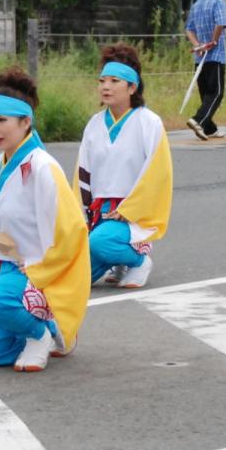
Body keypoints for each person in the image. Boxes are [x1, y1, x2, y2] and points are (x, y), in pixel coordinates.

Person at [0, 69, 90, 371]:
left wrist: (39, 267)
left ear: (26, 122)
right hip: (7, 270)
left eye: (2, 120)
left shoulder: (43, 167)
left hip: (39, 274)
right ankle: (48, 327)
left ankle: (41, 333)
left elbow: (72, 230)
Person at [74, 44, 172, 289]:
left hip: (132, 217)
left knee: (100, 242)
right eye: (102, 81)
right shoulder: (94, 124)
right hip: (99, 215)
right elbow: (82, 174)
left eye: (114, 81)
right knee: (75, 279)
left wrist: (130, 209)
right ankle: (116, 259)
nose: (105, 87)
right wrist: (81, 215)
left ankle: (138, 260)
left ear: (132, 87)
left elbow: (157, 173)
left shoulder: (149, 123)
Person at [184, 0, 226, 140]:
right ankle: (198, 120)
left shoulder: (197, 5)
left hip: (200, 57)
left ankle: (210, 129)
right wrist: (214, 41)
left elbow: (189, 29)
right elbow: (221, 23)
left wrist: (197, 45)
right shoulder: (219, 2)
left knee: (206, 93)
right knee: (216, 92)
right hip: (216, 56)